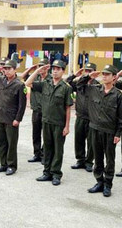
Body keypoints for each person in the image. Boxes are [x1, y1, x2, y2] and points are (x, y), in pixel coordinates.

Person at [25, 60, 73, 186]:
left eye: (58, 69)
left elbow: (68, 108)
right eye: (54, 68)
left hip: (58, 124)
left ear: (63, 71)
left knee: (58, 150)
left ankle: (56, 174)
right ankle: (47, 172)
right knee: (47, 148)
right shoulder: (46, 84)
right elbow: (27, 83)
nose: (55, 71)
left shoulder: (66, 88)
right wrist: (37, 71)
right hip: (46, 121)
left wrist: (67, 126)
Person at [77, 65, 122, 197]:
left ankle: (108, 184)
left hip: (109, 131)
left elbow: (121, 117)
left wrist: (118, 133)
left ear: (114, 77)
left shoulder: (118, 95)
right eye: (103, 74)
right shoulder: (94, 89)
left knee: (110, 159)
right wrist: (89, 76)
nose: (104, 76)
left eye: (107, 74)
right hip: (94, 129)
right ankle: (99, 182)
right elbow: (78, 85)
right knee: (97, 158)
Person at [0, 60, 27, 175]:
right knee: (1, 142)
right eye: (5, 69)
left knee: (11, 144)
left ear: (15, 70)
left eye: (9, 69)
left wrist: (17, 119)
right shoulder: (0, 80)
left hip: (11, 118)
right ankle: (3, 164)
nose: (7, 71)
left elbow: (22, 105)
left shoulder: (19, 85)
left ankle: (12, 165)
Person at [66, 63, 98, 172]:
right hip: (80, 116)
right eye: (87, 71)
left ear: (94, 72)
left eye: (90, 71)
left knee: (91, 142)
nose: (88, 73)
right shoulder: (80, 84)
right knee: (78, 139)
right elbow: (67, 83)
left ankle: (89, 162)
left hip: (91, 118)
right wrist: (75, 75)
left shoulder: (97, 85)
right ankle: (80, 160)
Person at [21, 58, 51, 163]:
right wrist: (32, 69)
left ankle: (44, 154)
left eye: (43, 66)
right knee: (36, 134)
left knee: (46, 135)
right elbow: (23, 78)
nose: (40, 68)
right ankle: (37, 154)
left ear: (48, 67)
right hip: (36, 110)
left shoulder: (50, 79)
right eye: (39, 66)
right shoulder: (35, 77)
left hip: (47, 111)